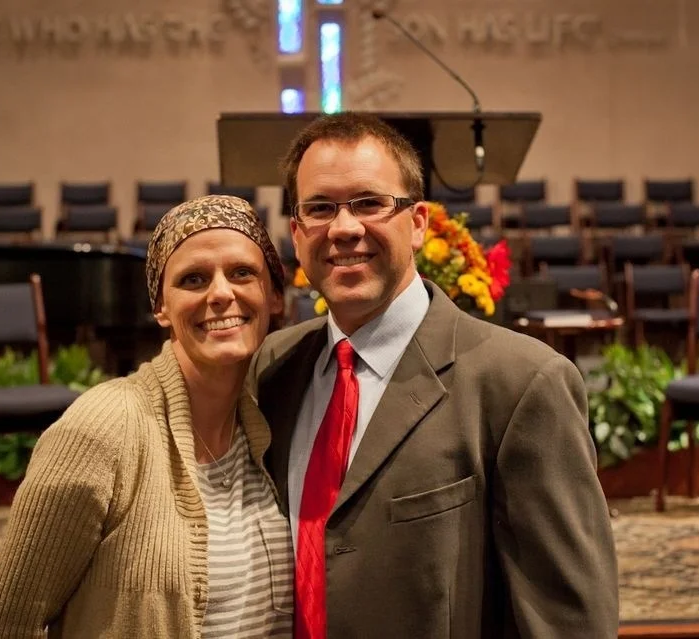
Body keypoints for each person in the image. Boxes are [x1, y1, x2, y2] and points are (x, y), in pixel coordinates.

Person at [249, 112, 619, 638]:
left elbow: (569, 621)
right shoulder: (273, 368)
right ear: (296, 232)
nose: (344, 228)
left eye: (369, 203)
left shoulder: (522, 384)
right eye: (320, 208)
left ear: (419, 222)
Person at [0, 195, 294, 638]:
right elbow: (1, 626)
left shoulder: (275, 422)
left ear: (274, 296)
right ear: (161, 307)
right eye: (193, 279)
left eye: (242, 273)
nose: (221, 293)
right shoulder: (103, 429)